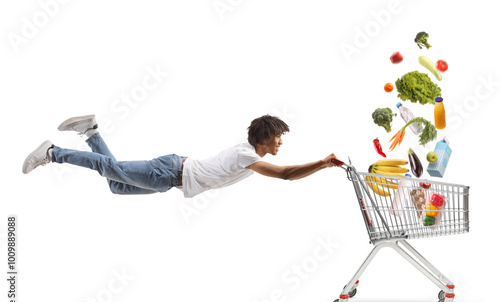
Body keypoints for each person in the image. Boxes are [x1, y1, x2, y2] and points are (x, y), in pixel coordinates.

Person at [22, 114, 338, 198]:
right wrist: (322, 163)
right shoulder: (246, 155)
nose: (281, 142)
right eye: (278, 136)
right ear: (265, 137)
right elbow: (284, 174)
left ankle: (90, 131)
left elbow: (281, 171)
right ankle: (53, 153)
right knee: (112, 168)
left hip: (170, 180)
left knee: (116, 184)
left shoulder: (247, 155)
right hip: (169, 171)